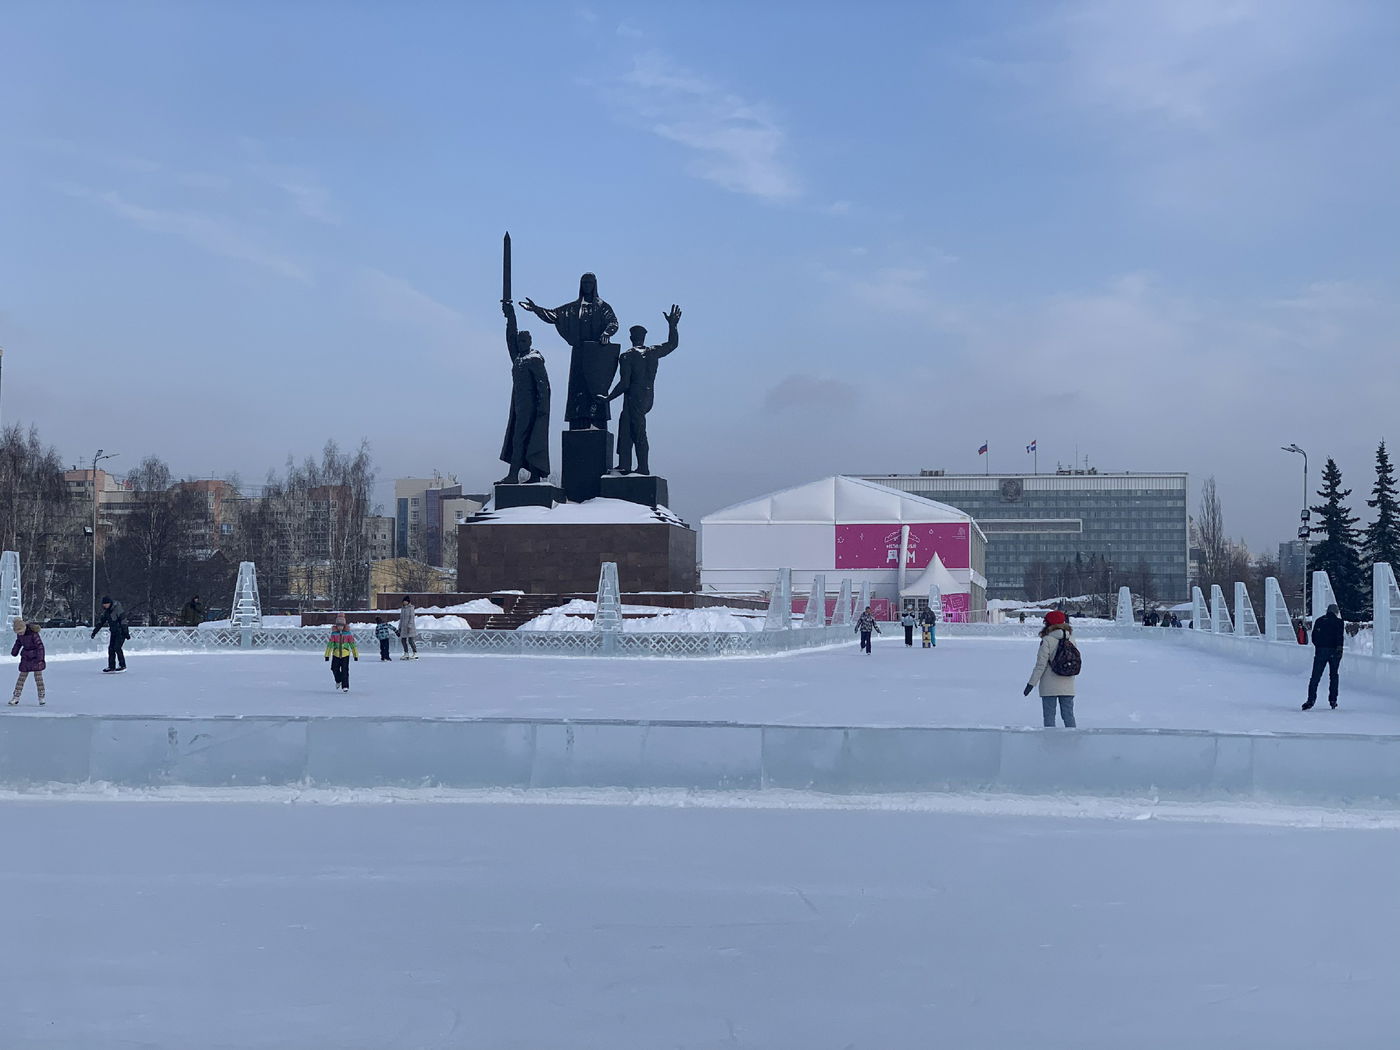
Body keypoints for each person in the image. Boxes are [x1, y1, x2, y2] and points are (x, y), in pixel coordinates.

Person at [607, 306, 682, 475]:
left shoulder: (627, 356)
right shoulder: (653, 352)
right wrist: (673, 326)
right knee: (630, 426)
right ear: (644, 337)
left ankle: (640, 467)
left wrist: (608, 398)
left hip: (634, 397)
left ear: (631, 337)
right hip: (647, 397)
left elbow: (624, 383)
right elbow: (672, 344)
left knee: (633, 429)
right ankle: (627, 464)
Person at [496, 299, 551, 485]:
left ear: (530, 342)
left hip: (532, 408)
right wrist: (510, 315)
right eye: (519, 341)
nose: (520, 343)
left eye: (524, 341)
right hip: (519, 407)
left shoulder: (534, 359)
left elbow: (543, 385)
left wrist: (542, 409)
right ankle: (530, 475)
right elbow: (510, 337)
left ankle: (515, 475)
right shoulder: (518, 358)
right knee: (521, 439)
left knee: (521, 439)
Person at [1024, 610, 1078, 728]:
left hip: (1049, 686)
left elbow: (1041, 665)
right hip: (1068, 684)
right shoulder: (1071, 639)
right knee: (1068, 715)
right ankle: (1073, 737)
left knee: (1049, 716)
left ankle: (1049, 737)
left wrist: (1031, 684)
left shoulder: (1047, 640)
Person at [1303, 603, 1345, 710]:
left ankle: (1310, 700)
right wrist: (1339, 650)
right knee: (1334, 676)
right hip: (1334, 652)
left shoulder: (1319, 621)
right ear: (1336, 612)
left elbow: (1314, 637)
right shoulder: (1339, 622)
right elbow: (1340, 637)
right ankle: (1333, 700)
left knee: (1315, 676)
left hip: (1321, 651)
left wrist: (1319, 646)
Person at [10, 618, 45, 706]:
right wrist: (14, 651)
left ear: (24, 628)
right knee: (21, 678)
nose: (20, 634)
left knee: (38, 678)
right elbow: (18, 643)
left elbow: (40, 646)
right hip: (26, 657)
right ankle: (16, 697)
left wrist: (40, 658)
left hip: (36, 657)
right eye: (18, 633)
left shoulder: (33, 634)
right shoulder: (20, 636)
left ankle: (41, 697)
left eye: (21, 632)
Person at [91, 596, 128, 673]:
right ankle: (111, 667)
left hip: (121, 632)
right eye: (103, 604)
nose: (104, 605)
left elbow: (123, 621)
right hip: (114, 632)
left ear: (110, 603)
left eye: (106, 604)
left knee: (117, 647)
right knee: (111, 648)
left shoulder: (118, 609)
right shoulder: (107, 612)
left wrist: (126, 632)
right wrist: (94, 632)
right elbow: (101, 622)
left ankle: (122, 665)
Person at [324, 615, 358, 692]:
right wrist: (327, 655)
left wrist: (355, 655)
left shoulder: (348, 634)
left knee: (345, 670)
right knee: (334, 668)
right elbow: (330, 645)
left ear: (344, 625)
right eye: (338, 625)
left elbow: (352, 645)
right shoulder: (334, 634)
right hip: (336, 654)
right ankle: (338, 680)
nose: (340, 627)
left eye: (341, 625)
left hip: (345, 655)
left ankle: (345, 686)